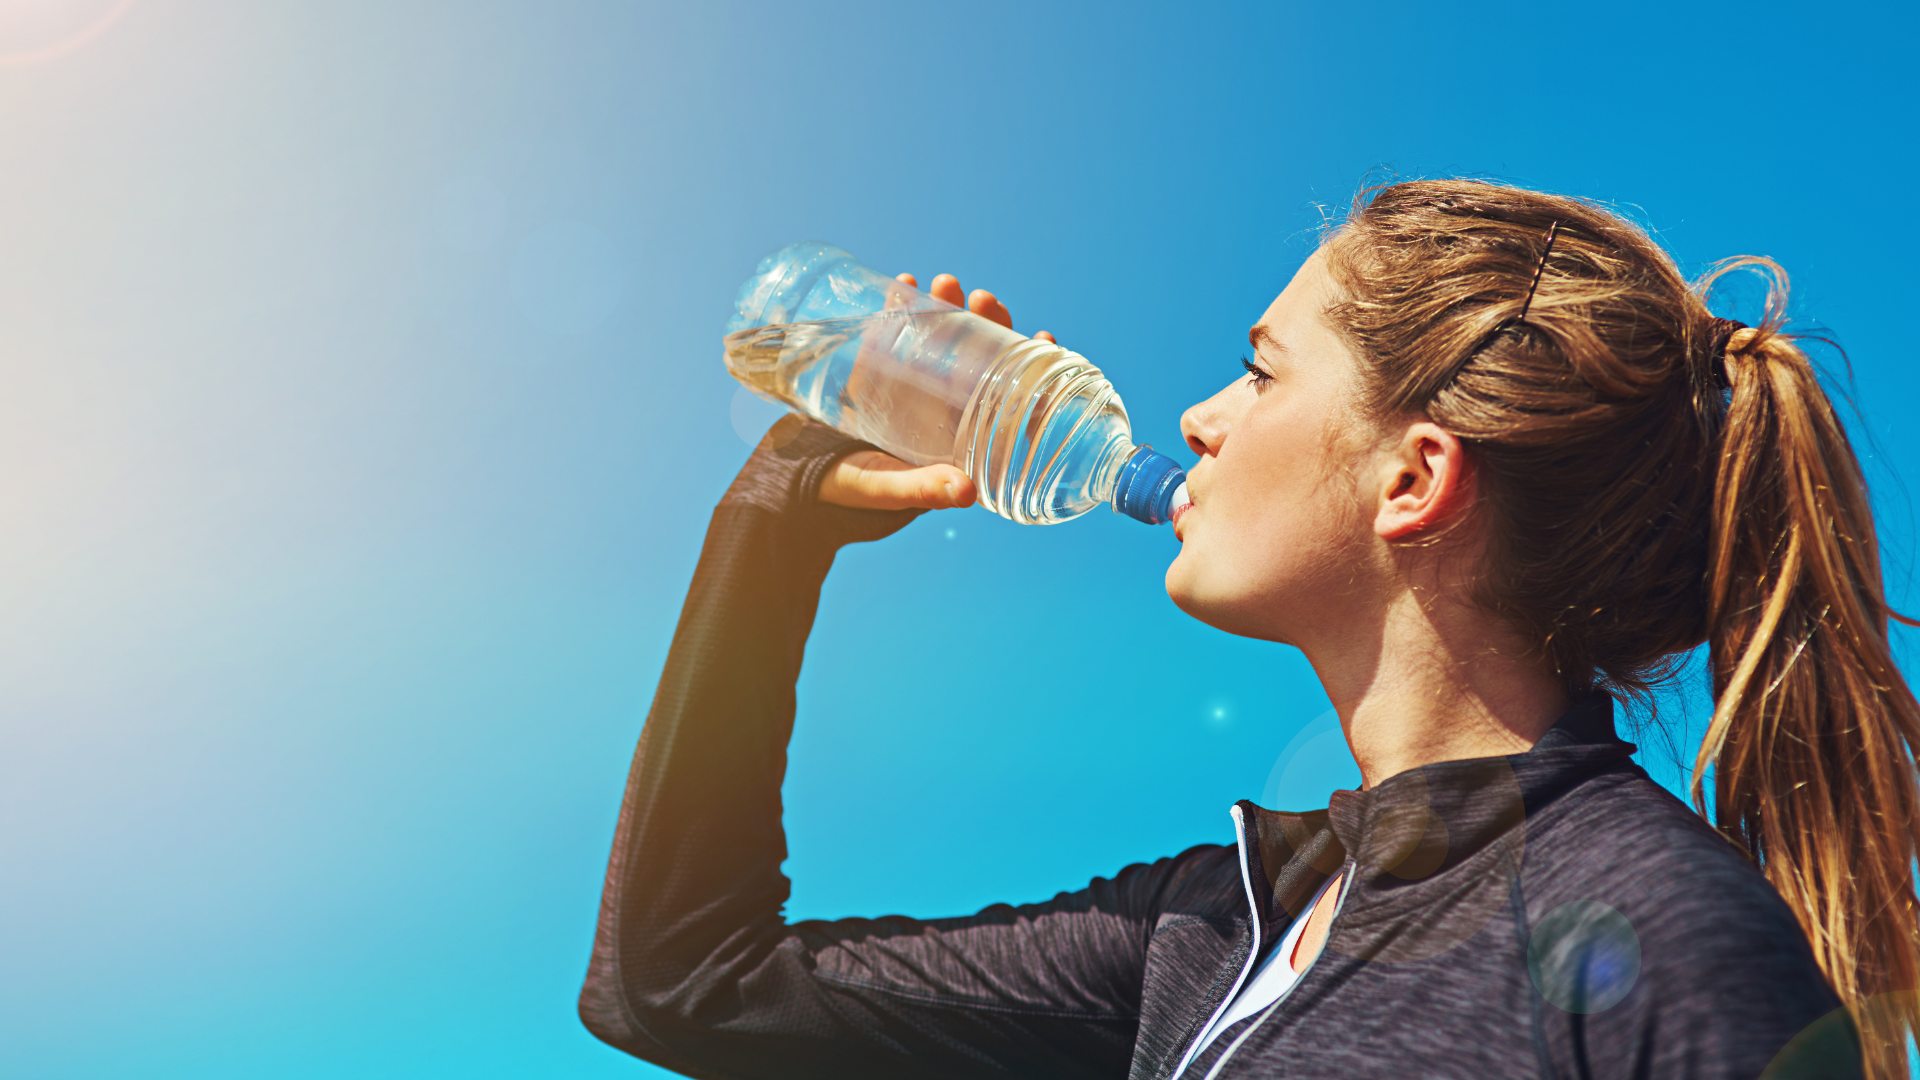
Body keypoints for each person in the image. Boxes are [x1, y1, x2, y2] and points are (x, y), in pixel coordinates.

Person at [578, 180, 1920, 1079]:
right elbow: (685, 986)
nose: (1203, 420)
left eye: (1263, 370)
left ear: (1415, 477)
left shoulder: (1663, 934)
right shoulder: (1212, 927)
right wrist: (775, 523)